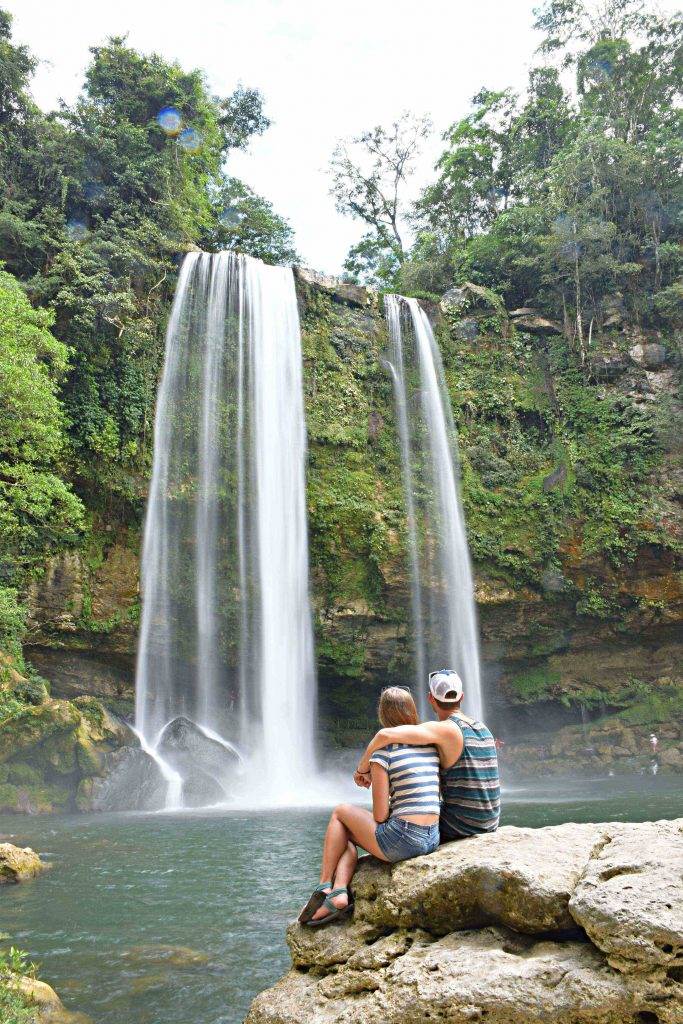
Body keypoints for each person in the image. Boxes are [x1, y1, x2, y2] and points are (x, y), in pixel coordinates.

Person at [298, 686, 440, 927]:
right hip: (432, 837)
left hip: (404, 840)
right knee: (344, 834)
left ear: (383, 714)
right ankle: (340, 892)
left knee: (341, 812)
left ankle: (324, 885)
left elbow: (381, 815)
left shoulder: (383, 753)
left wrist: (371, 771)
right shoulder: (430, 746)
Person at [355, 669, 500, 841]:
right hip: (490, 823)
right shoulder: (483, 728)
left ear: (431, 698)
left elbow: (384, 735)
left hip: (461, 825)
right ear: (462, 697)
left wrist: (362, 770)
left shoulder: (443, 729)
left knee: (409, 818)